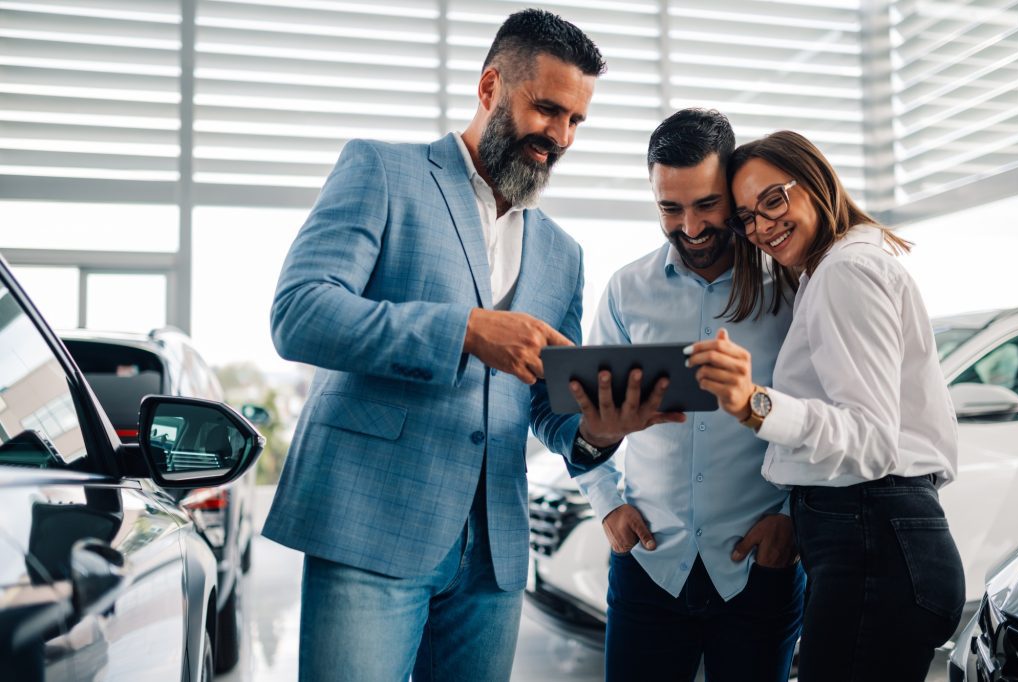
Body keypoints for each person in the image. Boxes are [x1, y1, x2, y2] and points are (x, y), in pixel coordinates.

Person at [261, 10, 608, 681]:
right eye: (547, 109)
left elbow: (548, 406)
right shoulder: (382, 171)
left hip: (495, 555)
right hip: (372, 525)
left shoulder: (564, 254)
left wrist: (598, 428)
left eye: (575, 121)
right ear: (490, 88)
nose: (560, 136)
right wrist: (466, 330)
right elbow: (300, 313)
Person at [687, 130, 966, 681]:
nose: (763, 226)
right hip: (881, 545)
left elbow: (872, 439)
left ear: (815, 183)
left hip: (875, 544)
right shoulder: (829, 271)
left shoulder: (845, 271)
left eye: (774, 199)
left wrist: (754, 404)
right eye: (747, 216)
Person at [562, 109, 804, 682]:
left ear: (732, 191)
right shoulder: (626, 290)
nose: (690, 226)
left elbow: (822, 416)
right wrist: (606, 503)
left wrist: (793, 519)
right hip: (650, 565)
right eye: (670, 208)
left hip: (757, 565)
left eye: (705, 205)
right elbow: (588, 416)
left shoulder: (790, 289)